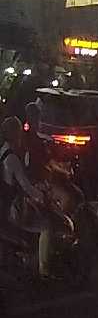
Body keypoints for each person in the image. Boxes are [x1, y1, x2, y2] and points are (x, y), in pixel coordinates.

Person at [1, 116, 57, 279]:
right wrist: (41, 195)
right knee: (46, 227)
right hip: (12, 209)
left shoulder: (3, 152)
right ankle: (44, 271)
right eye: (19, 131)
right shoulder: (12, 158)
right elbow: (25, 185)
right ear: (14, 134)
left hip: (7, 205)